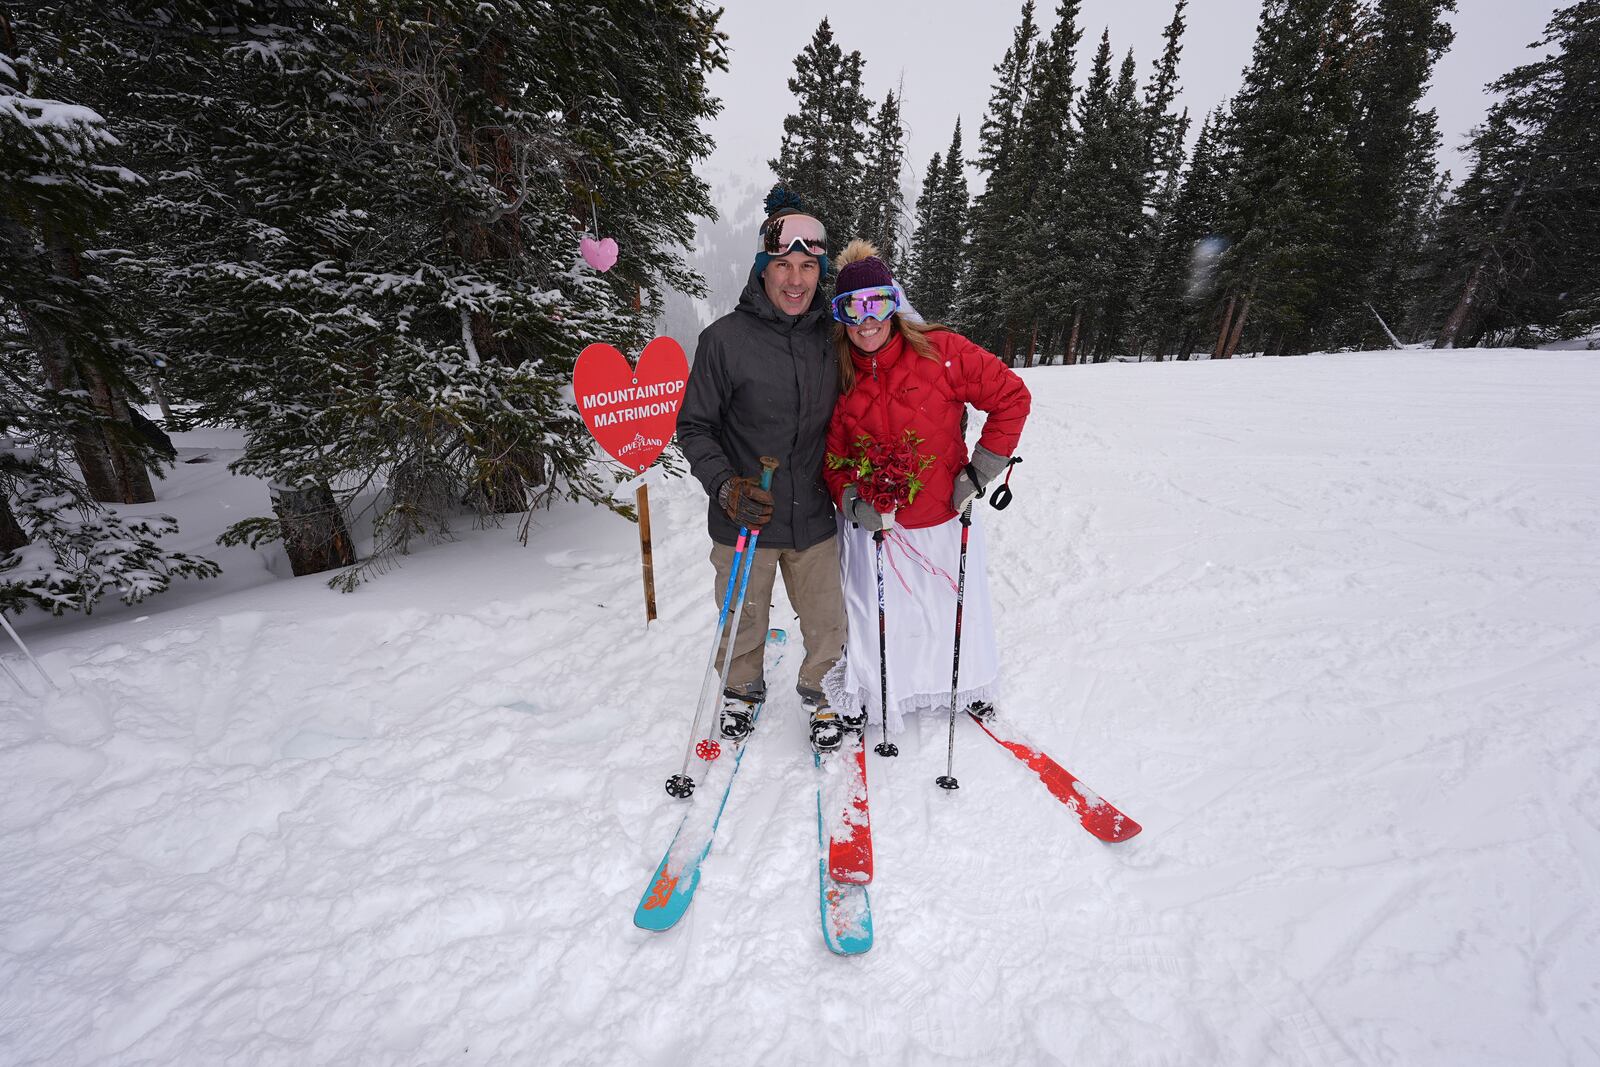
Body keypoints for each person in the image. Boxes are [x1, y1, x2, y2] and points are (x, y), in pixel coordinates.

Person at [820, 239, 1031, 740]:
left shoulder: (943, 351)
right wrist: (851, 499)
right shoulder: (837, 370)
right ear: (841, 315)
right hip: (877, 526)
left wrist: (978, 472)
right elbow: (832, 455)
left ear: (894, 305)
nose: (867, 320)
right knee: (877, 614)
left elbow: (1011, 397)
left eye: (878, 303)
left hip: (942, 514)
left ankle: (965, 684)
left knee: (948, 606)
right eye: (853, 307)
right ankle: (876, 692)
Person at [677, 186, 852, 747]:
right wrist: (726, 486)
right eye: (783, 265)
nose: (795, 280)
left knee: (828, 618)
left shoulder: (836, 339)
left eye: (807, 266)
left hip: (813, 513)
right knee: (745, 619)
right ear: (762, 270)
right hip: (744, 515)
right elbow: (694, 426)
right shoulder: (724, 341)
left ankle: (825, 693)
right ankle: (741, 691)